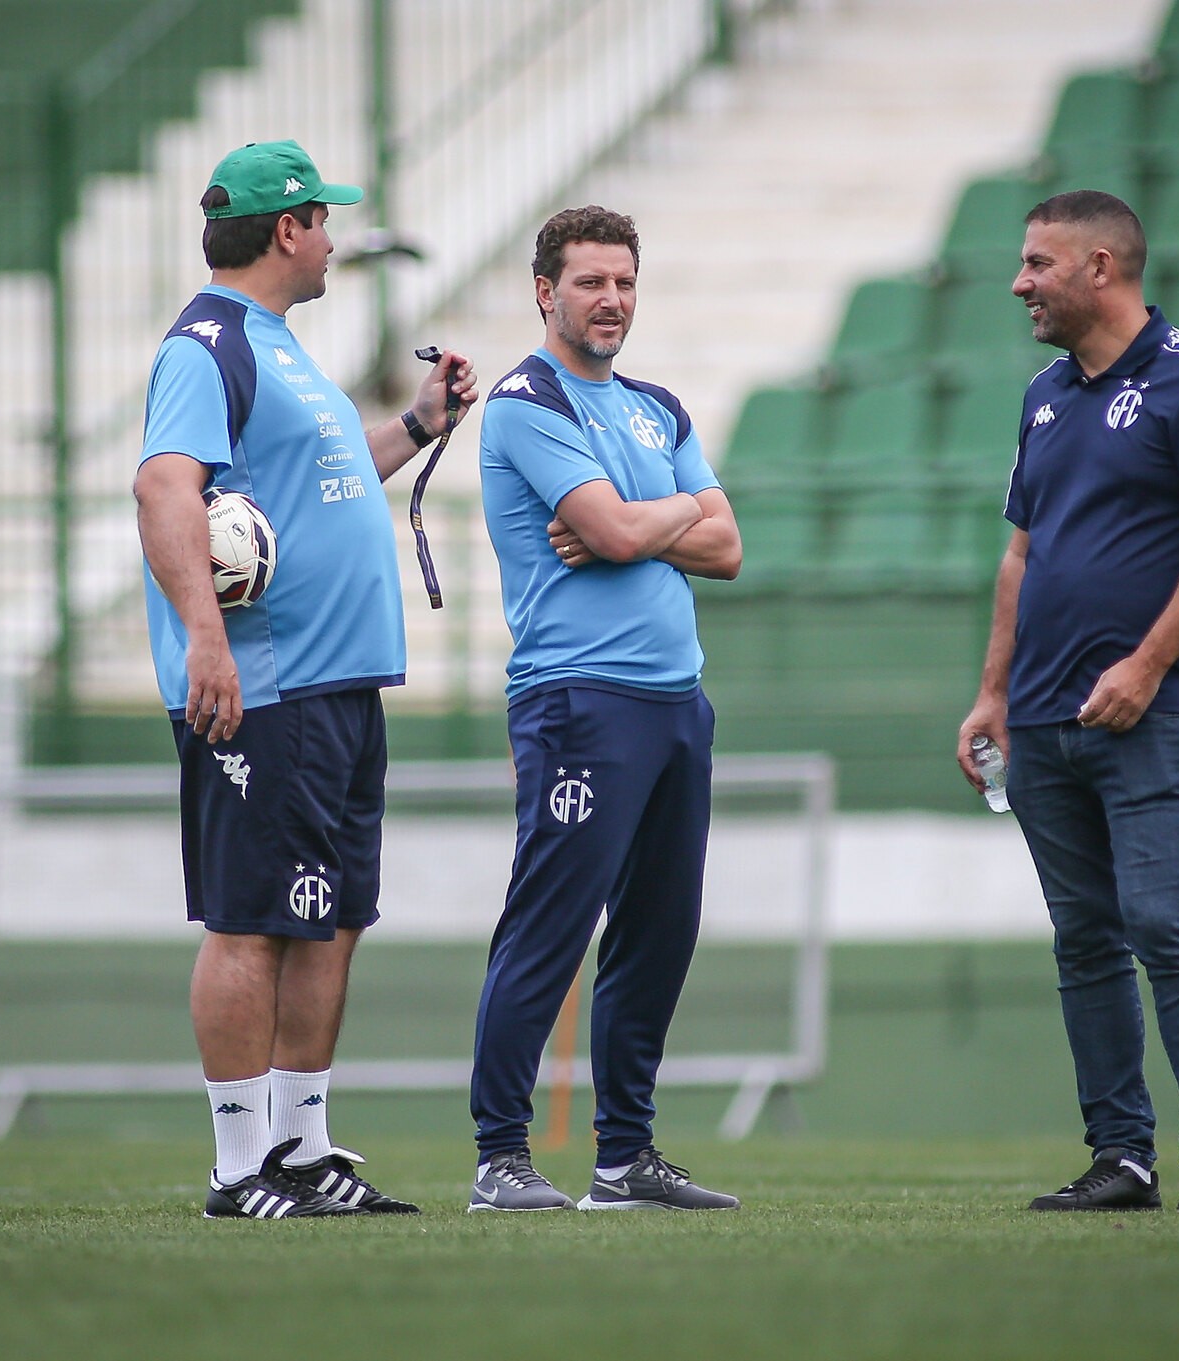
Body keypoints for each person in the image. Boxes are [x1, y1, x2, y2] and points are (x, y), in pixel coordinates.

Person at [134, 139, 478, 1219]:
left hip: (337, 683)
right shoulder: (206, 344)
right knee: (248, 920)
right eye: (322, 217)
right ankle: (239, 1170)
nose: (332, 234)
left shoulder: (278, 346)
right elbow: (163, 490)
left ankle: (302, 1149)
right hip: (264, 685)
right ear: (288, 230)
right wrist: (205, 640)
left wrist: (419, 425)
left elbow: (322, 482)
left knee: (327, 915)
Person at [955, 190, 1179, 1213]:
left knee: (1164, 920)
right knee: (1083, 940)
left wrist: (1141, 667)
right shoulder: (1042, 393)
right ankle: (1119, 1157)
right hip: (1039, 725)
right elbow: (1020, 554)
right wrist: (991, 693)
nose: (1018, 283)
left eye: (1036, 263)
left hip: (1149, 716)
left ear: (1099, 266)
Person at [466, 206, 743, 1213]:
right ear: (545, 292)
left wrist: (649, 523)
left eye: (623, 280)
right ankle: (500, 1152)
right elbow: (635, 532)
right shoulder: (523, 401)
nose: (610, 299)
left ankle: (624, 1158)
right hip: (578, 702)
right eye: (589, 281)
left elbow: (725, 544)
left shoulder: (654, 406)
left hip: (675, 702)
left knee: (659, 930)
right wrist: (671, 518)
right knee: (549, 924)